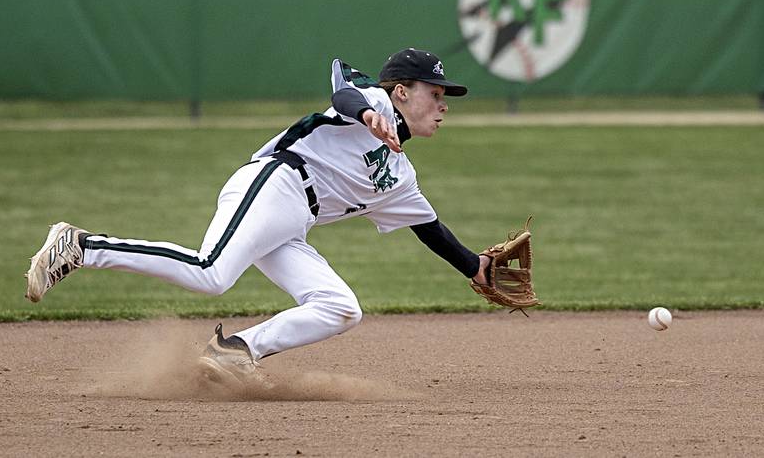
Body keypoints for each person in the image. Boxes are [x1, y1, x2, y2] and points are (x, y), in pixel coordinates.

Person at [26, 48, 492, 386]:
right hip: (274, 184)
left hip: (292, 224)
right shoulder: (374, 101)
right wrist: (371, 113)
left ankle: (236, 351)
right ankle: (81, 246)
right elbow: (345, 89)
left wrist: (476, 267)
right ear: (403, 92)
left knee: (340, 308)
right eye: (435, 93)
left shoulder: (400, 175)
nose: (444, 104)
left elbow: (429, 229)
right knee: (211, 273)